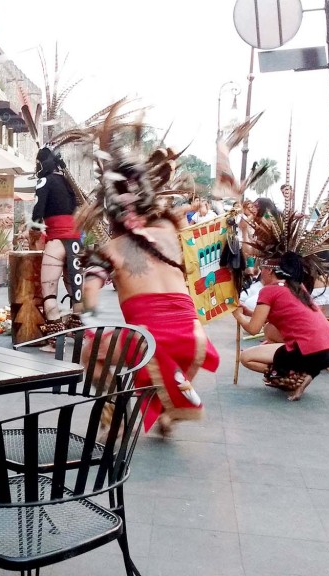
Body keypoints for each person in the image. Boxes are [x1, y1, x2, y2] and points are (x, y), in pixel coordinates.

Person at [77, 102, 220, 436]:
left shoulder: (109, 249)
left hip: (151, 341)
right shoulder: (171, 231)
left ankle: (114, 409)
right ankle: (169, 415)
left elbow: (89, 297)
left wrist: (86, 317)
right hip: (193, 338)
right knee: (161, 365)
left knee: (91, 352)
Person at [233, 253, 329, 401]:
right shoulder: (297, 286)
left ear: (269, 271)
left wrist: (238, 316)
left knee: (246, 357)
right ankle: (306, 372)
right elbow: (277, 315)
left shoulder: (269, 290)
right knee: (270, 329)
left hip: (310, 350)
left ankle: (290, 374)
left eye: (262, 268)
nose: (260, 273)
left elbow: (253, 329)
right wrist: (248, 312)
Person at [24, 147, 84, 340]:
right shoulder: (70, 183)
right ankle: (77, 334)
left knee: (49, 292)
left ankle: (54, 342)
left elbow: (37, 213)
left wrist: (32, 232)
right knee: (76, 292)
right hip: (75, 242)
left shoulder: (44, 181)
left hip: (56, 242)